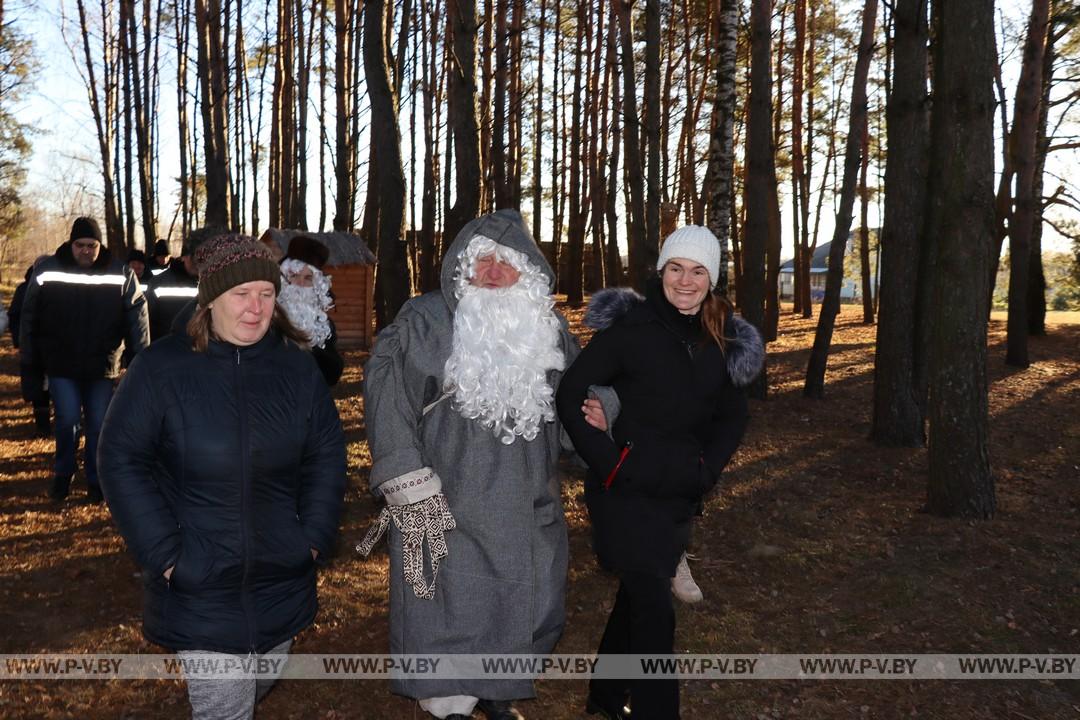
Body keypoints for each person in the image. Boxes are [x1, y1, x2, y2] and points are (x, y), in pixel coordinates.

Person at [98, 233, 347, 720]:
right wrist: (167, 557)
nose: (255, 308)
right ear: (210, 297)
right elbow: (121, 459)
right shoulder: (161, 368)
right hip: (199, 581)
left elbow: (326, 454)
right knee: (226, 709)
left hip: (283, 577)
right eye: (240, 294)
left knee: (260, 681)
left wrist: (312, 539)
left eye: (266, 294)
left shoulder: (296, 370)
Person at [358, 209, 578, 720]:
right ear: (462, 268)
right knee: (448, 606)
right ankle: (449, 703)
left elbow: (576, 400)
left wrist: (601, 413)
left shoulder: (548, 330)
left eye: (508, 263)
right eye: (483, 262)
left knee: (530, 597)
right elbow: (386, 394)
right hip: (446, 497)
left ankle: (496, 693)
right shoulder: (426, 319)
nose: (495, 273)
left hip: (527, 501)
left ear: (531, 272)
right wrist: (403, 471)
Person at [556, 225, 764, 720]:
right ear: (661, 272)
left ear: (711, 279)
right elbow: (570, 393)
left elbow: (733, 415)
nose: (686, 281)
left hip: (677, 493)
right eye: (676, 268)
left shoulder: (720, 336)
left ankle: (604, 697)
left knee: (636, 596)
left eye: (697, 271)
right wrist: (609, 462)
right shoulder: (632, 329)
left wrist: (706, 470)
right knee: (654, 606)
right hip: (623, 492)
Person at [19, 217, 149, 502]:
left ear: (100, 245)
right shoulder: (47, 271)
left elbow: (137, 316)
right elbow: (29, 316)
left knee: (99, 425)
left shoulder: (121, 273)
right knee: (66, 421)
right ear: (71, 243)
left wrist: (140, 360)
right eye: (81, 245)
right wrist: (31, 360)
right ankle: (63, 472)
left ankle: (96, 479)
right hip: (60, 363)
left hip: (102, 366)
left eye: (92, 245)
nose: (86, 251)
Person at [278, 250, 344, 386]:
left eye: (308, 278)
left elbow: (333, 374)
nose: (301, 284)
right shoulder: (269, 320)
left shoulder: (324, 325)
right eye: (295, 276)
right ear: (283, 281)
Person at [8, 258, 52, 437]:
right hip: (33, 346)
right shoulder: (23, 289)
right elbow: (15, 316)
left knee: (55, 386)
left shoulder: (58, 288)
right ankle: (42, 426)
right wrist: (20, 341)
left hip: (56, 347)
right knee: (37, 389)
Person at [146, 229, 214, 341]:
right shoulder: (158, 283)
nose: (199, 262)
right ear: (183, 257)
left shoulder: (214, 282)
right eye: (195, 256)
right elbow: (147, 321)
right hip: (167, 349)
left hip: (204, 350)